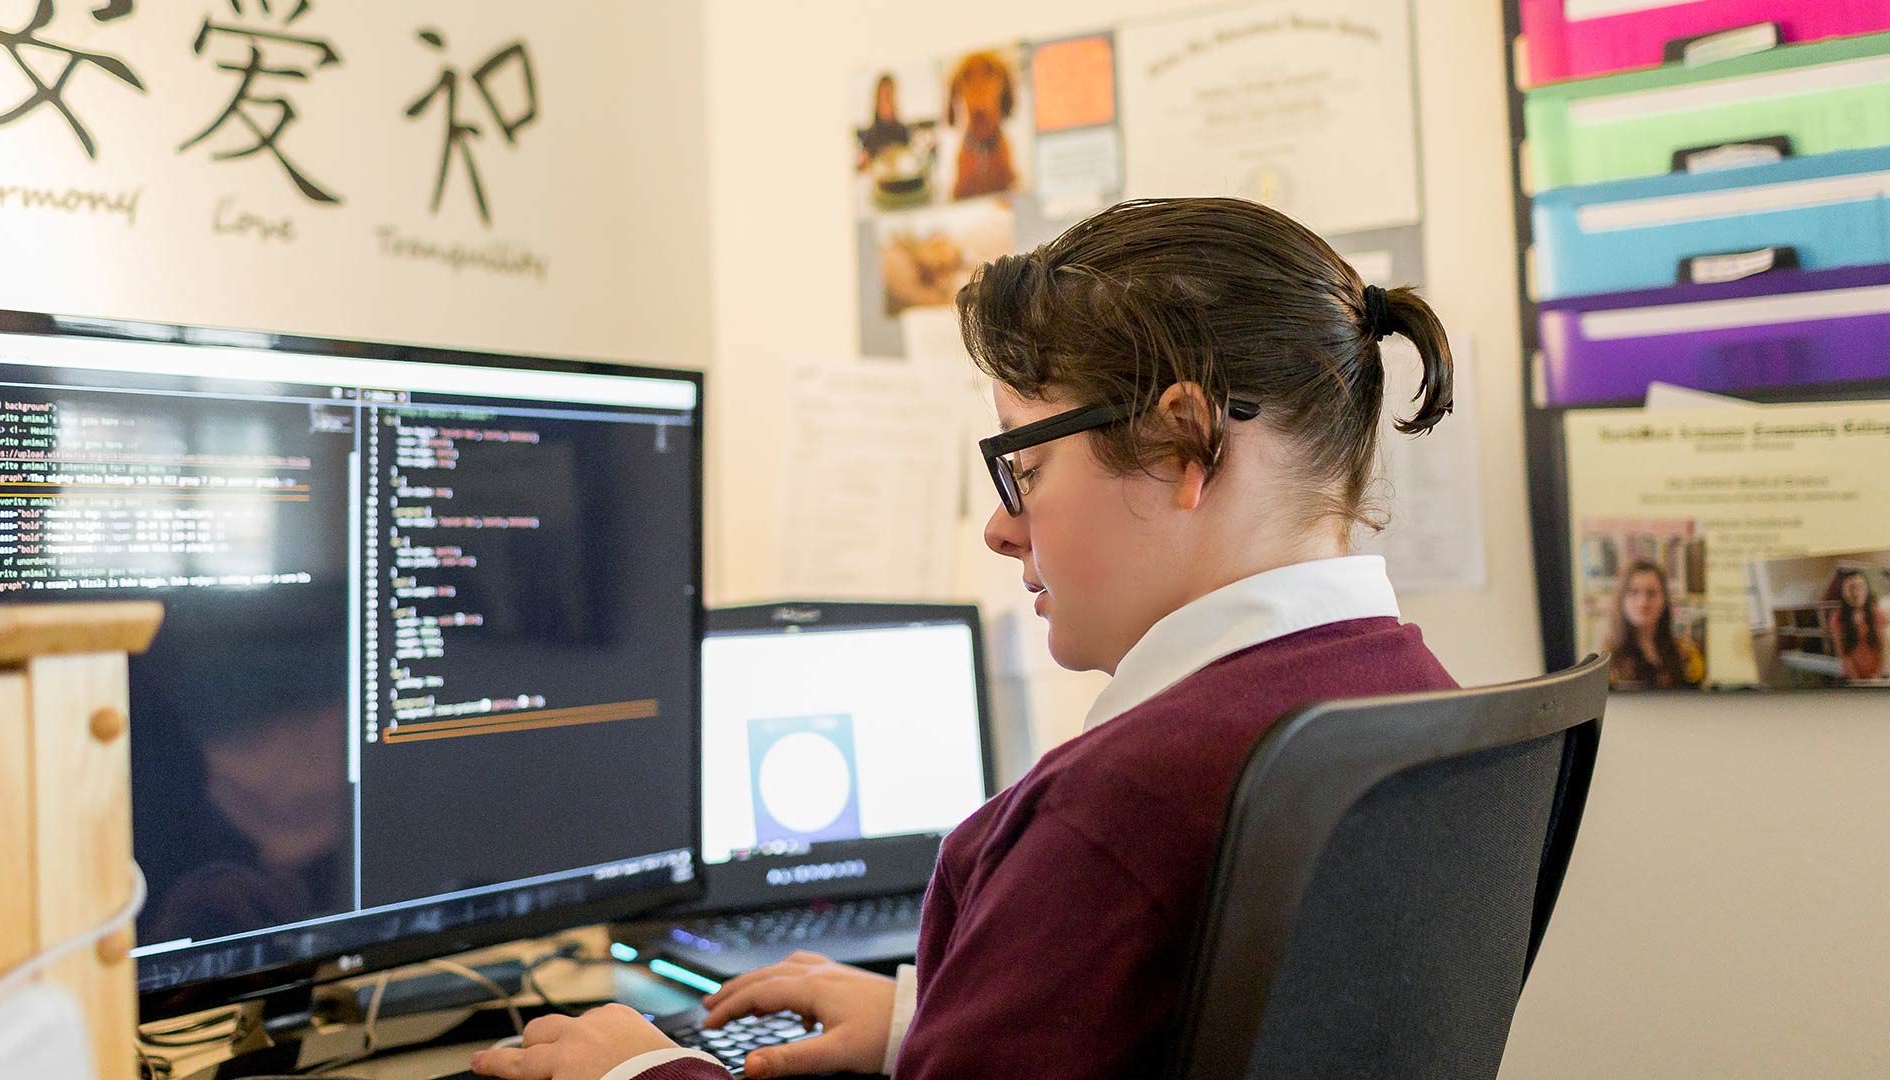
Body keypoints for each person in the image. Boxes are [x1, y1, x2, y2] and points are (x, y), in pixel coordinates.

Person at [470, 196, 1461, 1080]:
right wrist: (927, 1027)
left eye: (1024, 471)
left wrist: (642, 1071)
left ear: (1183, 443)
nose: (1001, 528)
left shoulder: (1120, 809)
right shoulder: (1419, 699)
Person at [1603, 560, 1704, 689]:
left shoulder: (1686, 653)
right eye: (1634, 592)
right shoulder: (1607, 660)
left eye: (1651, 593)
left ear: (1664, 600)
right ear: (1621, 600)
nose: (1643, 602)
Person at [1825, 568, 1887, 681]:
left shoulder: (1878, 613)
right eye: (1851, 588)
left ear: (1867, 589)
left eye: (1860, 587)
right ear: (1843, 592)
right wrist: (1857, 681)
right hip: (1852, 679)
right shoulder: (1836, 618)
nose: (1856, 593)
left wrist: (1878, 677)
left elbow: (1885, 650)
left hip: (1879, 677)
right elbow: (1843, 654)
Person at [856, 73, 911, 170]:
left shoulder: (904, 132)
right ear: (877, 101)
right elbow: (863, 167)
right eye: (884, 97)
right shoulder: (869, 136)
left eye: (891, 96)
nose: (888, 102)